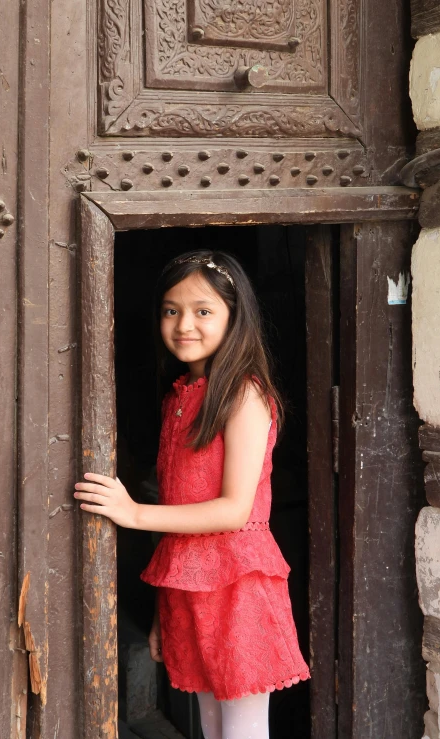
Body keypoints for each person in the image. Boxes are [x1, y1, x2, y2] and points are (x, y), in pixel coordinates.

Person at [74, 250, 311, 739]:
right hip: (189, 589)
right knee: (210, 727)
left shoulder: (244, 394)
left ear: (234, 316)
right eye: (171, 309)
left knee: (241, 732)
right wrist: (165, 614)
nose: (185, 324)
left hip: (238, 586)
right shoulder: (181, 396)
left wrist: (133, 512)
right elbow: (184, 510)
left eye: (203, 311)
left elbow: (234, 510)